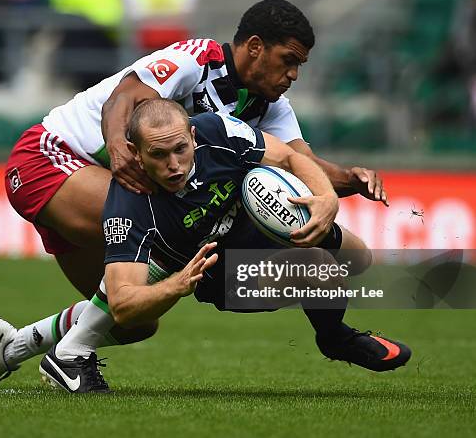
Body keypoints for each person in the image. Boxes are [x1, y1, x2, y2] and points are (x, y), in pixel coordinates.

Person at [0, 0, 389, 388]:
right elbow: (122, 100)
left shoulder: (271, 106)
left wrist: (351, 179)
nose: (294, 74)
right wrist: (117, 148)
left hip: (106, 181)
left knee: (135, 320)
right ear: (255, 47)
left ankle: (10, 348)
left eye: (300, 65)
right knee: (175, 229)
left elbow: (302, 163)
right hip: (49, 159)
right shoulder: (196, 60)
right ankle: (69, 358)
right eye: (289, 61)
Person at [37, 99, 410, 392]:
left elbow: (293, 157)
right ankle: (336, 338)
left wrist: (326, 200)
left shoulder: (220, 130)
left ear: (194, 138)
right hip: (220, 274)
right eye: (158, 155)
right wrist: (176, 285)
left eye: (180, 149)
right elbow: (122, 303)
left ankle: (17, 343)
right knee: (319, 266)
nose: (173, 165)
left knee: (359, 259)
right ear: (136, 153)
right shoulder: (127, 202)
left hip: (253, 232)